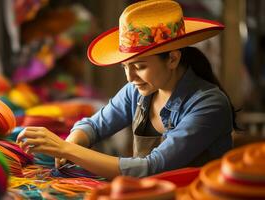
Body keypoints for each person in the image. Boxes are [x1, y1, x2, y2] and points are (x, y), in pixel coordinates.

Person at [17, 0, 237, 179]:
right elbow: (94, 126)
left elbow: (153, 167)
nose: (131, 77)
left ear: (172, 59)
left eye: (140, 67)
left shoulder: (209, 104)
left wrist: (65, 149)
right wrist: (75, 139)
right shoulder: (137, 92)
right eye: (125, 67)